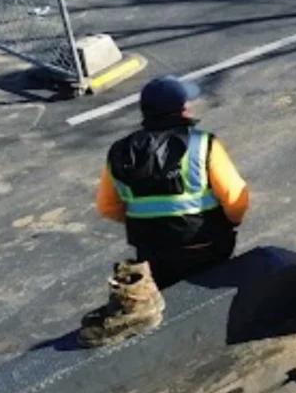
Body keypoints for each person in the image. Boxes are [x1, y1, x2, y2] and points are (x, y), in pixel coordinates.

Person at [95, 75, 250, 288]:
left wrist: (146, 223)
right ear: (182, 109)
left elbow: (106, 206)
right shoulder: (203, 144)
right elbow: (235, 198)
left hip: (152, 253)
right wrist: (231, 222)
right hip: (204, 245)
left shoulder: (119, 151)